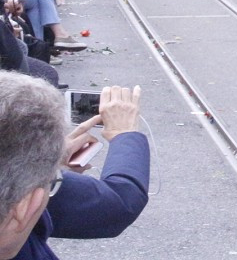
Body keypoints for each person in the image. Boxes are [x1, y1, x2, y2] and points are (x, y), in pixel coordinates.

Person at [1, 75, 150, 260]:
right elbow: (119, 203)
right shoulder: (25, 188)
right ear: (24, 207)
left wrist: (45, 163)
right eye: (54, 181)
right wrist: (125, 135)